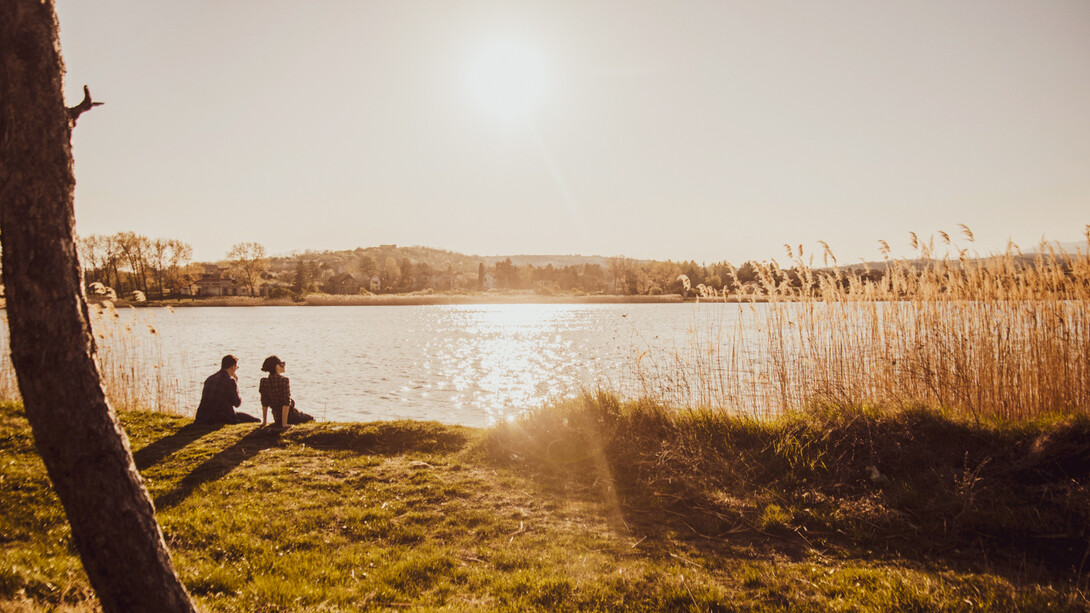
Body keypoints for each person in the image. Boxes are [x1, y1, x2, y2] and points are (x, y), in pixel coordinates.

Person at [193, 355, 260, 425]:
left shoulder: (210, 378)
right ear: (233, 367)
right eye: (236, 367)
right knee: (256, 420)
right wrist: (236, 384)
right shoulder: (230, 381)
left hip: (202, 417)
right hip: (221, 417)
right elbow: (237, 403)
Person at [259, 355, 314, 427]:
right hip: (290, 416)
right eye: (282, 364)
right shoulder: (284, 381)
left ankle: (279, 422)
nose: (284, 366)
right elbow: (286, 402)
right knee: (310, 418)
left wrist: (264, 422)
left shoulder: (263, 381)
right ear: (277, 367)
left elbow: (264, 402)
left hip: (277, 417)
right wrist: (284, 424)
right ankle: (285, 422)